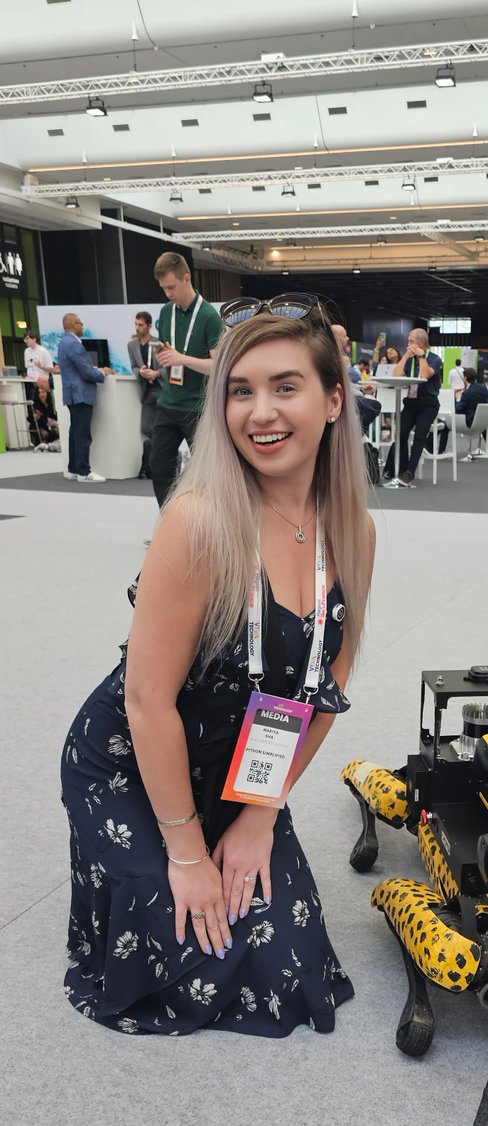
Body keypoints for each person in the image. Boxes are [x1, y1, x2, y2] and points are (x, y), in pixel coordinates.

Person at [60, 294, 375, 1038]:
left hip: (240, 771)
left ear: (333, 401)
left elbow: (325, 692)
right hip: (132, 763)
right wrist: (187, 850)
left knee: (290, 970)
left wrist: (259, 818)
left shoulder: (353, 529)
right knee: (192, 961)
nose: (259, 412)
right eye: (240, 390)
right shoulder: (198, 520)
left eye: (285, 387)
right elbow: (145, 702)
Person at [151, 252, 223, 508]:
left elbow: (218, 366)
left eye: (171, 287)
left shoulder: (209, 317)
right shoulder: (165, 312)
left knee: (206, 475)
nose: (168, 293)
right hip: (168, 404)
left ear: (186, 277)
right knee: (159, 468)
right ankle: (169, 525)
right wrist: (165, 358)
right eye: (163, 289)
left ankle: (211, 527)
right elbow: (171, 355)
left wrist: (182, 359)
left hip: (197, 408)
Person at [58, 312, 114, 483]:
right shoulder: (75, 345)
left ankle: (73, 468)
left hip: (72, 393)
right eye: (81, 323)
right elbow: (86, 371)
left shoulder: (63, 342)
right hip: (80, 393)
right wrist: (102, 372)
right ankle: (84, 471)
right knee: (82, 433)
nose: (83, 326)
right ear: (74, 324)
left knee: (75, 432)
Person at [383, 328, 442, 485]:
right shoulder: (410, 359)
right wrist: (406, 357)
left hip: (428, 403)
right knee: (400, 434)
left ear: (421, 343)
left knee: (419, 436)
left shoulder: (435, 359)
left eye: (411, 341)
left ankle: (410, 471)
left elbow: (425, 375)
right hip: (411, 402)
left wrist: (421, 356)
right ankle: (399, 468)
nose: (408, 344)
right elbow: (396, 375)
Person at [127, 311, 161, 479]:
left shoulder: (158, 344)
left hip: (161, 389)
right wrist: (140, 372)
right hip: (146, 391)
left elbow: (169, 367)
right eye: (136, 324)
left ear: (149, 325)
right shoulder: (131, 345)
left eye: (140, 325)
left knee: (162, 428)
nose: (137, 327)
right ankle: (156, 457)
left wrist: (156, 373)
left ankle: (151, 462)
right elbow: (133, 366)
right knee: (146, 428)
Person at [23, 330, 54, 402]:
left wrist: (41, 366)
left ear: (34, 339)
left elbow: (52, 369)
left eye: (28, 338)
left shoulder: (43, 351)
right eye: (25, 339)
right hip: (31, 383)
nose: (26, 341)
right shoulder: (26, 351)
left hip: (42, 384)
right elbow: (27, 366)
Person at [30, 376, 60, 450]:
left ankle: (51, 444)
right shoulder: (35, 404)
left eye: (43, 392)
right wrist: (36, 417)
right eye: (39, 393)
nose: (41, 395)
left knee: (56, 429)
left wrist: (53, 422)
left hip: (49, 425)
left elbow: (54, 416)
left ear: (47, 393)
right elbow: (30, 418)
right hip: (40, 426)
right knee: (44, 433)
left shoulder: (50, 404)